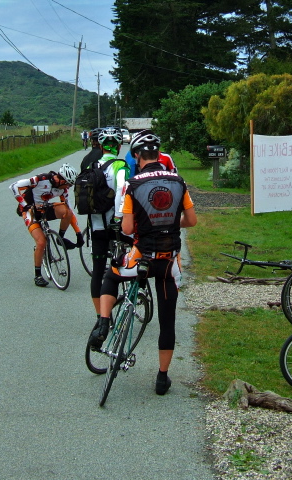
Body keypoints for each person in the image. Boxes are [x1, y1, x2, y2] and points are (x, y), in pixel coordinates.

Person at [88, 131, 197, 396]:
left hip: (141, 257)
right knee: (167, 320)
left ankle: (104, 322)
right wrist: (173, 224)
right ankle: (162, 378)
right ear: (159, 155)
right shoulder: (178, 181)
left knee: (111, 277)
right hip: (168, 260)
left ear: (137, 156)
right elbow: (191, 221)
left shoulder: (133, 184)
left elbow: (126, 227)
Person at [9, 163, 83, 287]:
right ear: (61, 180)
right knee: (41, 242)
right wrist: (24, 204)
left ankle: (60, 238)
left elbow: (70, 210)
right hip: (30, 211)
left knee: (67, 211)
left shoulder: (62, 189)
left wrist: (78, 233)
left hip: (43, 208)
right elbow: (13, 186)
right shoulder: (39, 180)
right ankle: (38, 275)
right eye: (68, 184)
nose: (68, 187)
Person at [84, 127, 130, 318]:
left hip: (96, 226)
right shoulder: (120, 165)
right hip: (116, 226)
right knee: (123, 266)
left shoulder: (91, 167)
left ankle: (101, 317)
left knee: (97, 271)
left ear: (101, 146)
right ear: (118, 146)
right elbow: (122, 190)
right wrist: (120, 217)